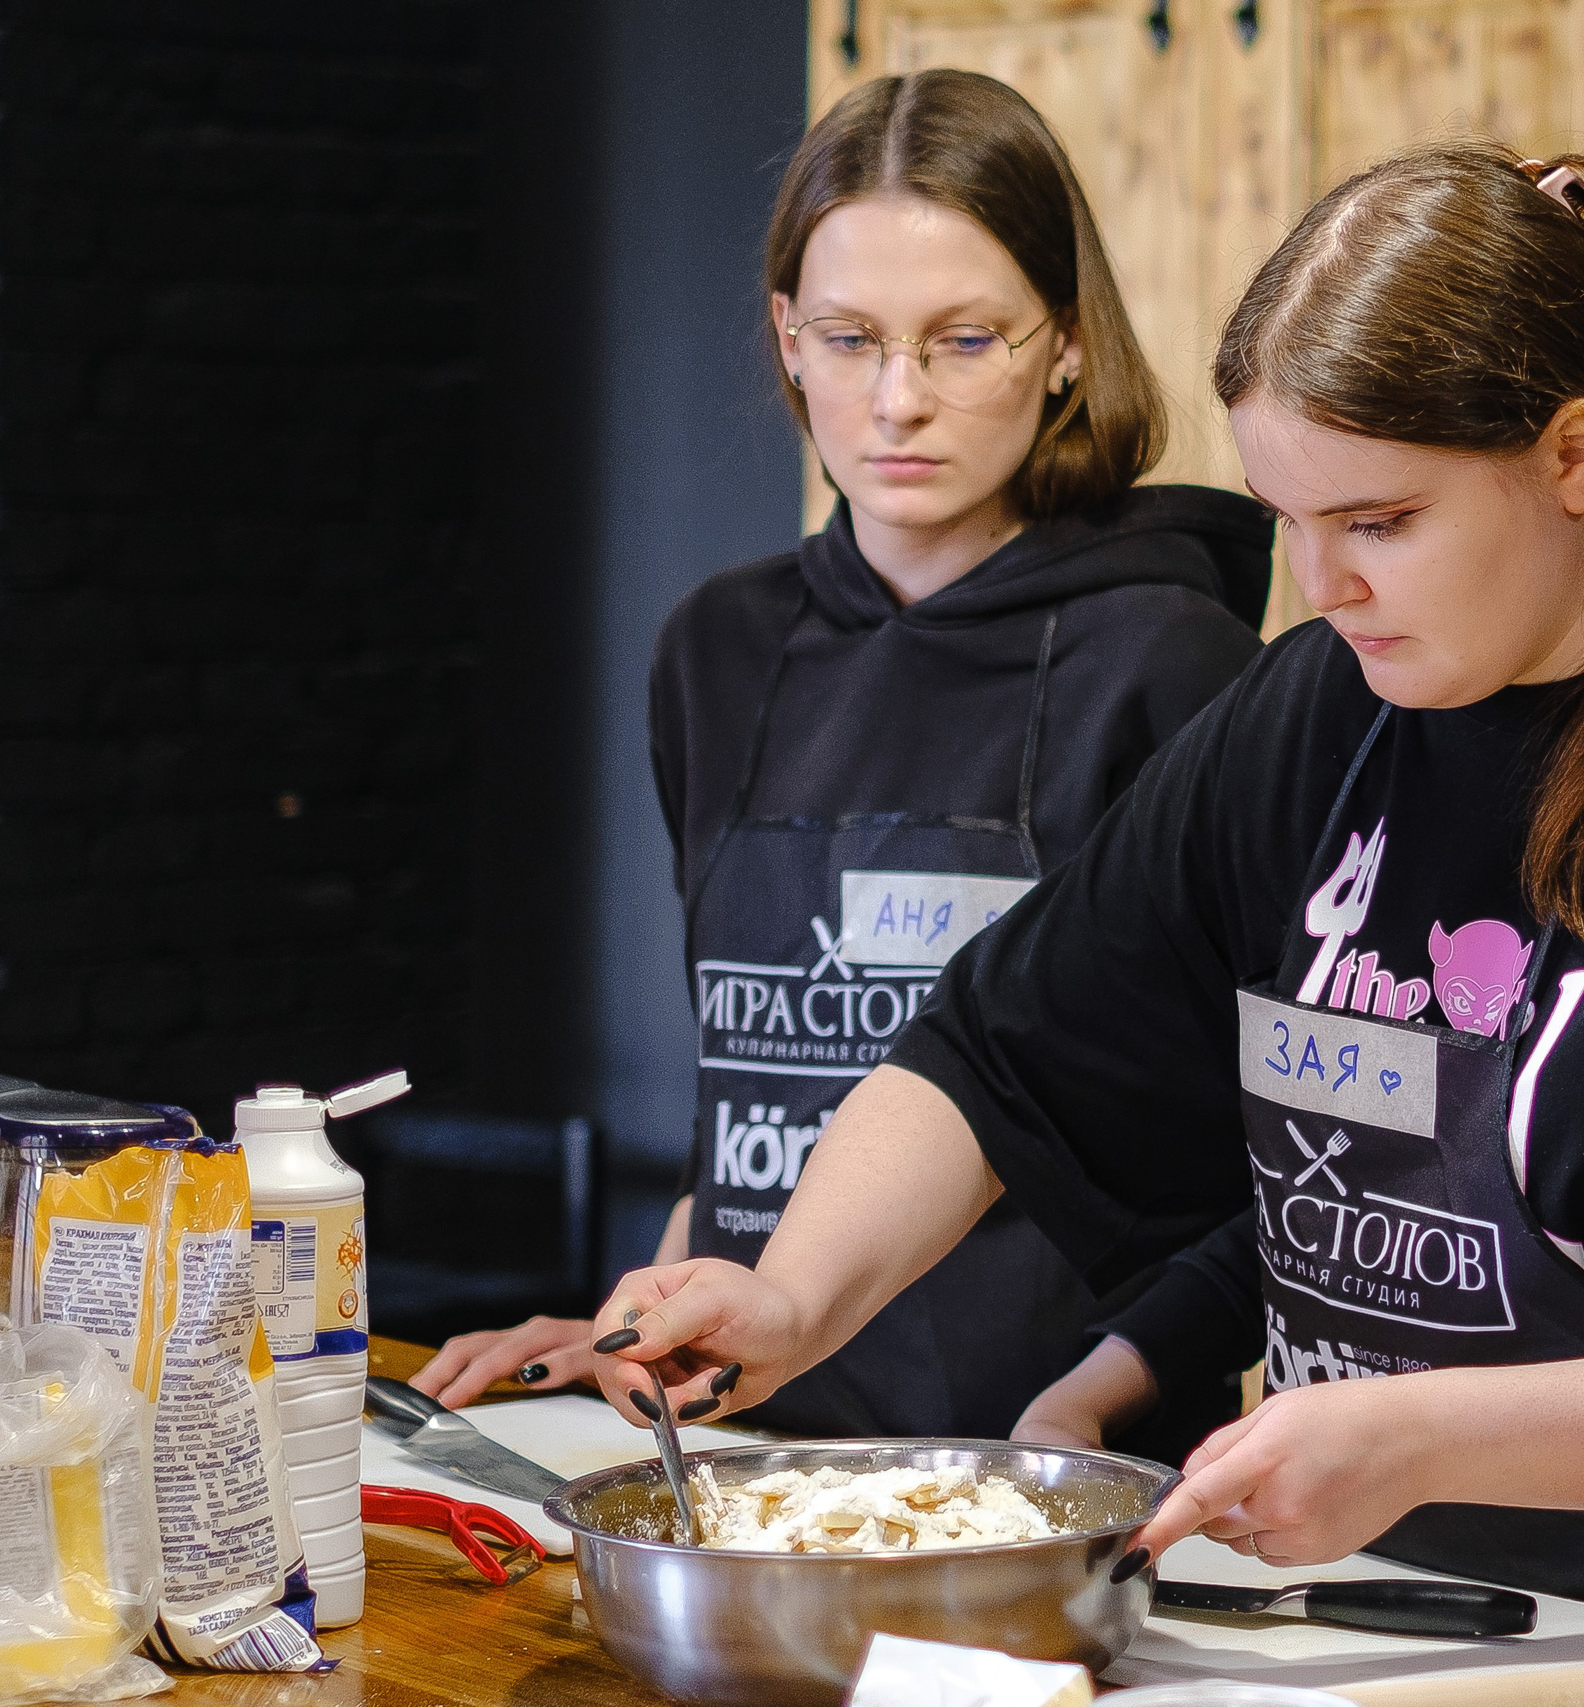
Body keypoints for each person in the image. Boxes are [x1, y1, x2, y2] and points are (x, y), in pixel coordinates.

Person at [584, 139, 1584, 1675]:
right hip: (1358, 1621)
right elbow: (997, 1054)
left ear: (1575, 456)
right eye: (1286, 519)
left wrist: (1410, 1436)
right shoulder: (1309, 715)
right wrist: (794, 1293)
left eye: (1380, 521)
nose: (1320, 583)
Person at [411, 70, 1269, 1449]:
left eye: (965, 340)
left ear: (1065, 344)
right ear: (787, 340)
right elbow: (750, 1075)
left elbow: (1251, 1147)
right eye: (853, 338)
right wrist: (631, 1330)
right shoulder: (717, 649)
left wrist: (1093, 1406)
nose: (898, 400)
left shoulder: (1175, 661)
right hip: (745, 1437)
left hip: (1043, 1453)